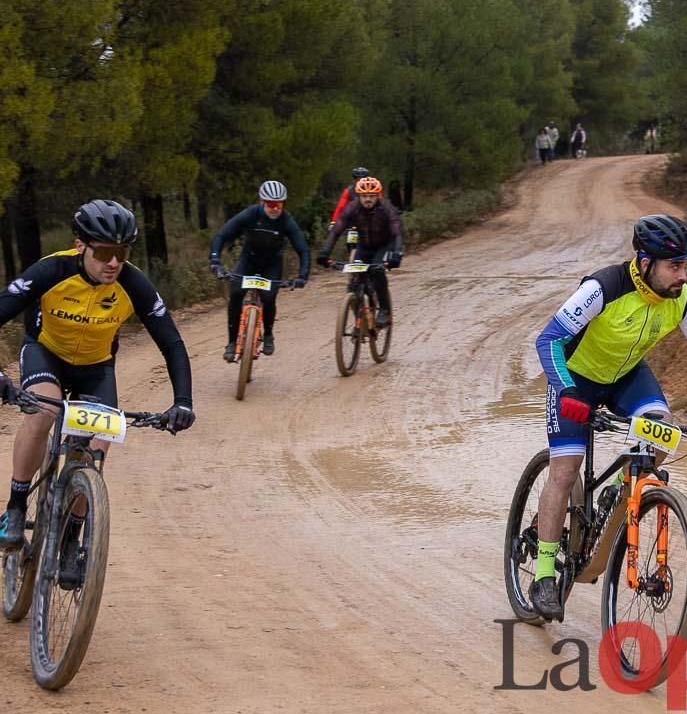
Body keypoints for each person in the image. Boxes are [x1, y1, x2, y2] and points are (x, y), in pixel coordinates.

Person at [529, 214, 687, 620]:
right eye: (674, 266)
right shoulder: (602, 288)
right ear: (645, 263)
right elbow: (549, 339)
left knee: (664, 432)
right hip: (574, 379)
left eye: (686, 266)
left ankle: (618, 493)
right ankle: (543, 574)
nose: (684, 275)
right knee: (564, 471)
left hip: (626, 377)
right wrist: (569, 391)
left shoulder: (682, 298)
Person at [0, 200, 196, 576]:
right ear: (80, 246)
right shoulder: (51, 270)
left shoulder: (133, 283)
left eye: (121, 253)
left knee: (97, 445)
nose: (113, 263)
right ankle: (15, 506)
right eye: (104, 252)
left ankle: (72, 539)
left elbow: (171, 343)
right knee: (44, 413)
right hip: (46, 353)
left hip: (96, 368)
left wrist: (183, 402)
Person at [209, 180, 310, 362]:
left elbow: (302, 249)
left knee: (269, 297)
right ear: (262, 202)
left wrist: (303, 275)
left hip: (272, 264)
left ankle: (269, 333)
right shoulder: (250, 214)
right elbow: (222, 235)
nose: (274, 209)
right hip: (249, 260)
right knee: (236, 294)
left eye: (279, 204)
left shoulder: (286, 221)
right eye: (270, 204)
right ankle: (232, 342)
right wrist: (215, 261)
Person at [316, 176, 404, 327]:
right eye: (364, 196)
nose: (367, 199)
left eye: (371, 196)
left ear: (378, 196)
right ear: (358, 196)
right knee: (353, 284)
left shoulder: (386, 208)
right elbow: (336, 231)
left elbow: (396, 233)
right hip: (364, 246)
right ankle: (361, 321)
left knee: (377, 271)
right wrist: (325, 252)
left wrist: (397, 254)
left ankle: (384, 310)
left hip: (384, 245)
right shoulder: (353, 207)